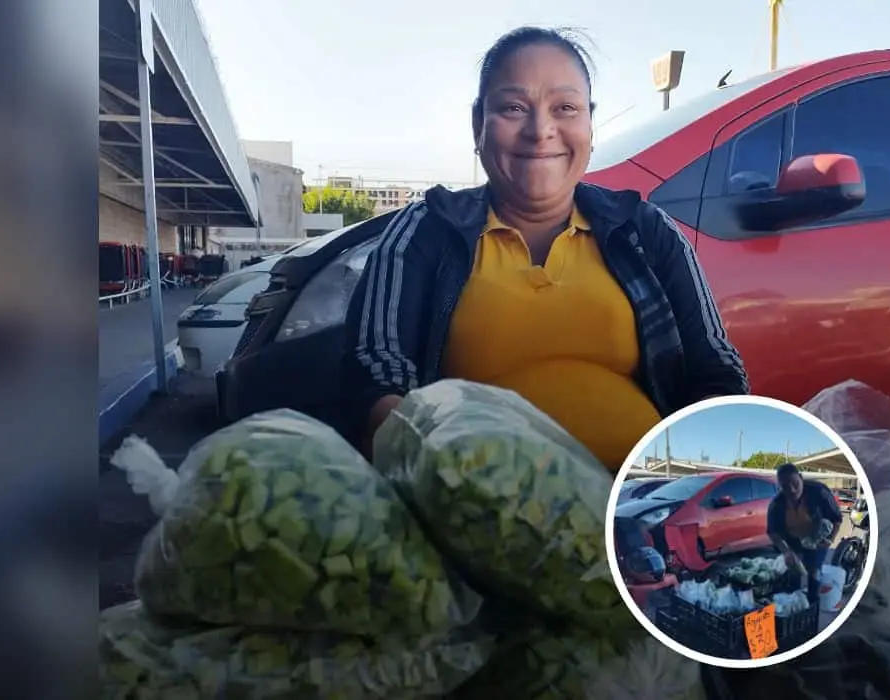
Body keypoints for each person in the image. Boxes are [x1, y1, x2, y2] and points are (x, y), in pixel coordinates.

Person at [342, 26, 749, 470]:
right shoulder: (426, 231)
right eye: (514, 107)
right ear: (478, 124)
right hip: (476, 515)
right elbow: (374, 373)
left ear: (589, 124)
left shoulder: (646, 231)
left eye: (565, 108)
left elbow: (717, 369)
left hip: (639, 515)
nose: (540, 131)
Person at [767, 462, 844, 603]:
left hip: (816, 539)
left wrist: (830, 539)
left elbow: (836, 518)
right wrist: (786, 551)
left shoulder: (819, 491)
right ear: (780, 486)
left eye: (795, 483)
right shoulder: (776, 504)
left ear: (801, 477)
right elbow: (773, 532)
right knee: (793, 573)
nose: (791, 490)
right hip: (792, 541)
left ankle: (811, 605)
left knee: (814, 572)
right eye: (784, 486)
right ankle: (794, 605)